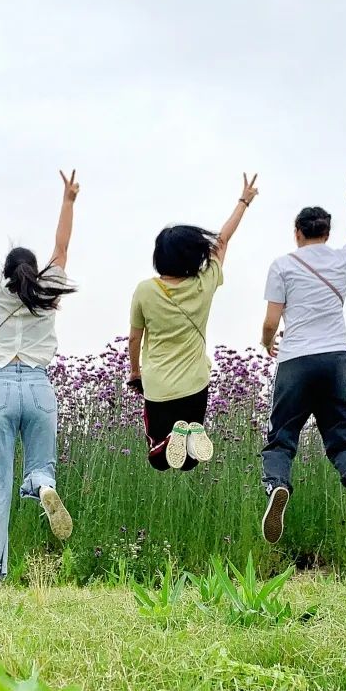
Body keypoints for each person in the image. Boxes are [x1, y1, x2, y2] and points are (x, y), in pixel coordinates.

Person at [0, 164, 79, 588]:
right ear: (35, 272)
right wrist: (69, 199)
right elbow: (63, 245)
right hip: (38, 388)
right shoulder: (48, 290)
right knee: (41, 466)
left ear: (5, 271)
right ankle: (44, 486)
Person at [259, 174, 346, 544]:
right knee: (343, 436)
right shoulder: (342, 261)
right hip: (336, 358)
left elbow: (271, 321)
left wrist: (267, 342)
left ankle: (278, 486)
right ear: (327, 233)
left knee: (281, 438)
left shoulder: (282, 265)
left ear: (297, 232)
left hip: (297, 358)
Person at [127, 174, 259, 472]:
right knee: (189, 462)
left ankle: (171, 437)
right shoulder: (204, 282)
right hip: (196, 383)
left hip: (159, 386)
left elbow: (134, 339)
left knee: (159, 459)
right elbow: (222, 240)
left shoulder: (145, 290)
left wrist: (136, 372)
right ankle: (188, 433)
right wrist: (244, 201)